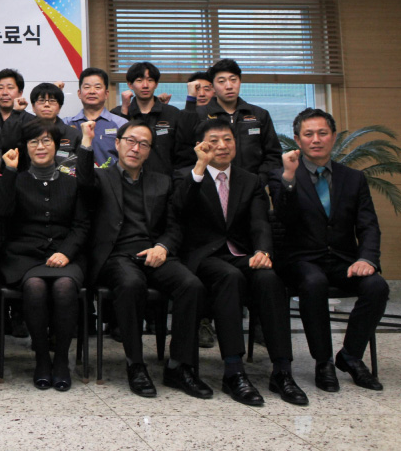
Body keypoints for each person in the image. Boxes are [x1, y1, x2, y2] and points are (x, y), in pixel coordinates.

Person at [176, 120, 307, 406]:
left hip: (241, 255)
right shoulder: (186, 176)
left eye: (228, 139)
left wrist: (263, 251)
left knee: (270, 278)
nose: (222, 146)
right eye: (214, 140)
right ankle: (234, 371)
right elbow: (179, 211)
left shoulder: (249, 180)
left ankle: (282, 370)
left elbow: (260, 222)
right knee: (229, 277)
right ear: (200, 145)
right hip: (203, 258)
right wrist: (199, 169)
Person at [77, 119, 210, 399]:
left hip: (153, 253)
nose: (135, 148)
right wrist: (87, 142)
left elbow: (175, 224)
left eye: (143, 144)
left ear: (149, 151)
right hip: (117, 257)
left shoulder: (161, 181)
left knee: (192, 285)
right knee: (130, 284)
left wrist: (162, 246)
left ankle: (178, 366)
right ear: (117, 143)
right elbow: (83, 181)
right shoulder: (101, 178)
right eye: (130, 141)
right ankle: (135, 364)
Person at [271, 108, 389, 392]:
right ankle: (322, 361)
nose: (316, 140)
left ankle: (349, 356)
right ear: (298, 140)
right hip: (302, 260)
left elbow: (368, 226)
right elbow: (282, 218)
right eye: (308, 134)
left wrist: (367, 258)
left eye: (322, 133)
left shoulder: (353, 179)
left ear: (333, 137)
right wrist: (287, 178)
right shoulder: (284, 176)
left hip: (343, 260)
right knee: (314, 283)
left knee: (376, 287)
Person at [0, 119, 89, 391]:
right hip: (24, 256)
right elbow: (2, 213)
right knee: (34, 287)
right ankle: (41, 359)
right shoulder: (16, 178)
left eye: (47, 140)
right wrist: (9, 172)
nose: (40, 146)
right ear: (25, 147)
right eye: (34, 141)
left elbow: (82, 226)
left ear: (57, 146)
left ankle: (61, 359)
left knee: (64, 286)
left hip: (65, 255)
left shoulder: (72, 183)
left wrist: (66, 253)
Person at [175, 59, 282, 184]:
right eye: (221, 81)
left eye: (233, 80)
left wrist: (259, 179)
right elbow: (185, 154)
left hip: (252, 186)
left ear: (240, 82)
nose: (229, 86)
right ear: (213, 87)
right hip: (210, 187)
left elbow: (273, 155)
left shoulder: (259, 115)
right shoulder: (200, 115)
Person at [112, 62, 182, 175]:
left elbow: (181, 154)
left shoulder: (172, 114)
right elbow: (114, 148)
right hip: (127, 182)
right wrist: (124, 114)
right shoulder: (118, 114)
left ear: (156, 84)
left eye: (150, 80)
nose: (145, 85)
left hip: (164, 183)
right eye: (139, 81)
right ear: (130, 84)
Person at [64, 68, 127, 167]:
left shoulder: (121, 124)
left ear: (106, 94)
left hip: (111, 180)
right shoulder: (67, 124)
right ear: (79, 93)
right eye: (87, 87)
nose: (92, 91)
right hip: (74, 180)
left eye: (97, 87)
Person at [29, 82, 80, 168]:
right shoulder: (26, 133)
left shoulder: (74, 134)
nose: (46, 104)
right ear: (33, 107)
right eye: (41, 101)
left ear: (59, 108)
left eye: (52, 101)